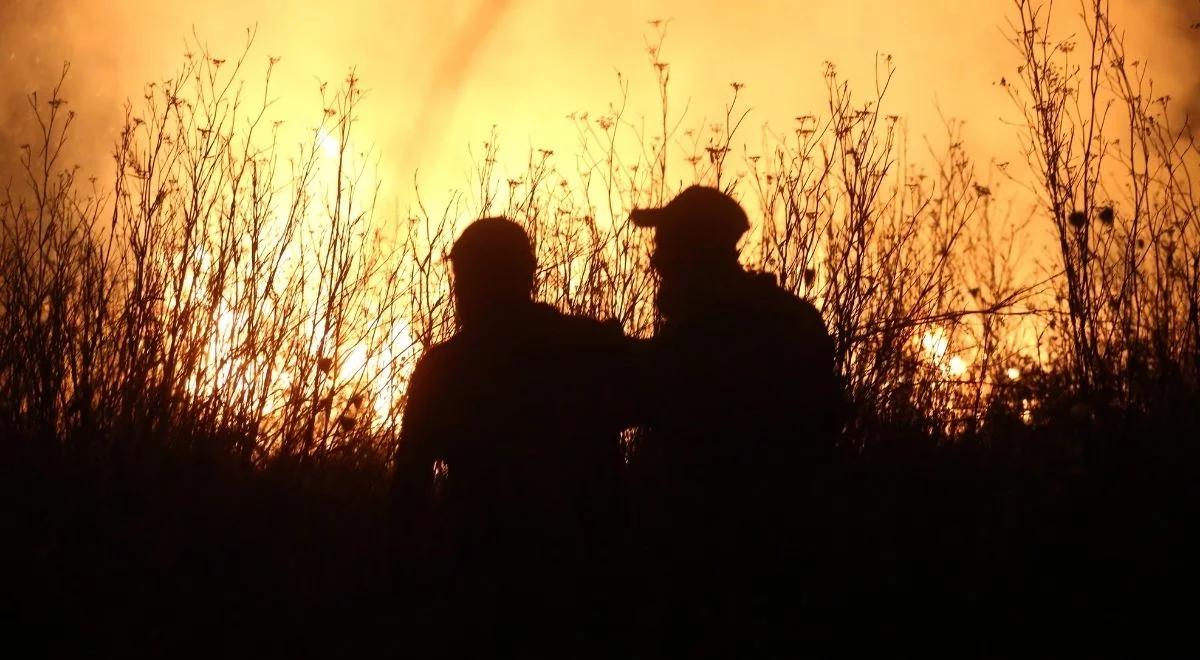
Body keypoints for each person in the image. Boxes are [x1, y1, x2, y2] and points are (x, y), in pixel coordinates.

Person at [391, 217, 633, 655]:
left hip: (490, 581)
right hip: (580, 581)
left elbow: (408, 492)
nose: (460, 292)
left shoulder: (446, 369)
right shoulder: (589, 348)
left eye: (467, 279)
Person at [628, 185, 841, 654]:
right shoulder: (794, 319)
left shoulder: (707, 333)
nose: (656, 260)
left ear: (694, 250)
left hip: (717, 564)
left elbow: (644, 396)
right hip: (793, 555)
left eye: (665, 245)